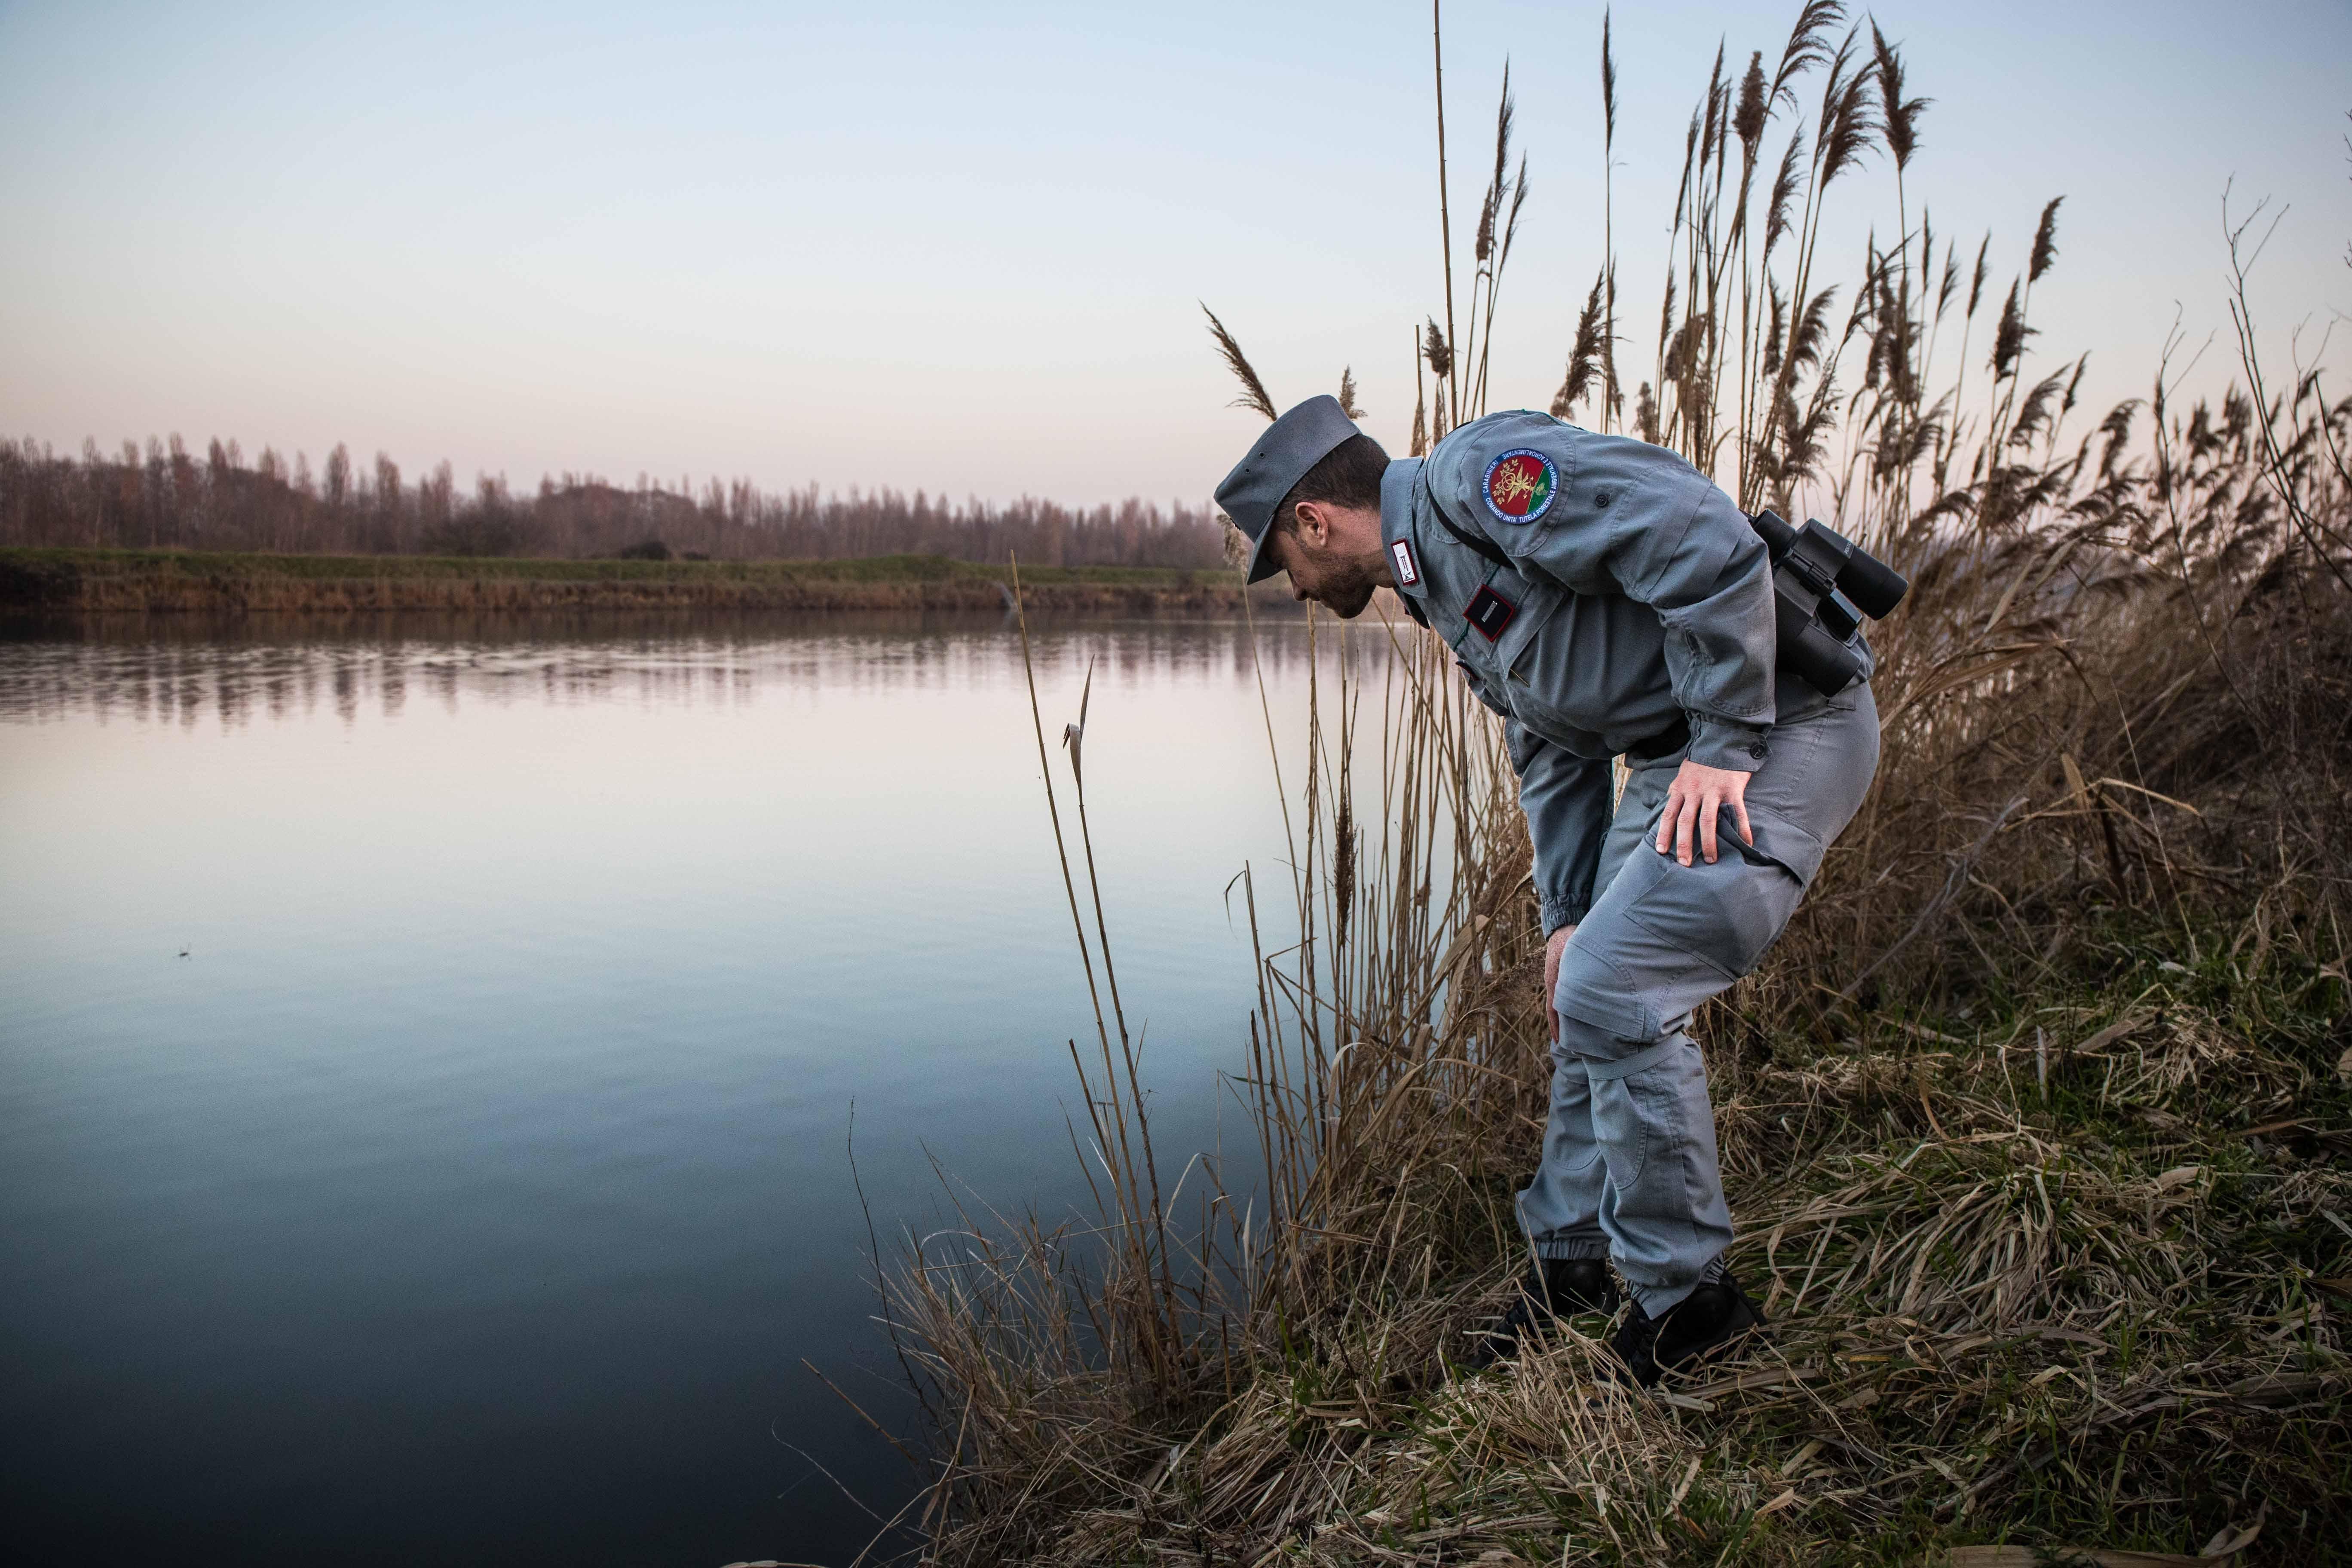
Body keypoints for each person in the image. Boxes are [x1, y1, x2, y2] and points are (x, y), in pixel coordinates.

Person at [1214, 395, 1881, 1386]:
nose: (1297, 589)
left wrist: (1729, 737)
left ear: (1315, 521)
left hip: (1780, 728)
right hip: (1681, 753)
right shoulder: (1436, 580)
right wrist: (1565, 914)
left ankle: (1692, 1311)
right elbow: (1554, 753)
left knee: (1616, 992)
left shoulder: (1479, 478)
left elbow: (1700, 532)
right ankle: (1570, 1267)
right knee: (1578, 990)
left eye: (1284, 561)